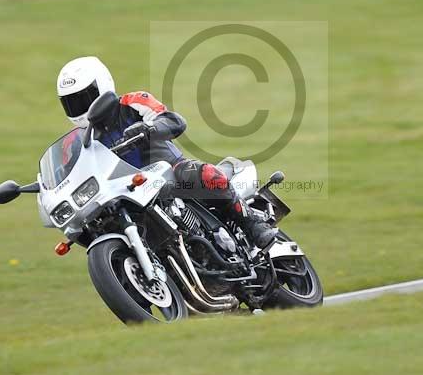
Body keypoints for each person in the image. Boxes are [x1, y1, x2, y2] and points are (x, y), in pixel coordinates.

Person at [55, 56, 278, 249]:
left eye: (84, 98)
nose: (79, 108)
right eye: (71, 103)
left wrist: (150, 128)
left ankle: (251, 223)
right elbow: (67, 173)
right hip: (125, 192)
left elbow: (173, 120)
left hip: (167, 172)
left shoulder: (132, 103)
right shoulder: (75, 142)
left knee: (199, 173)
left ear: (102, 85)